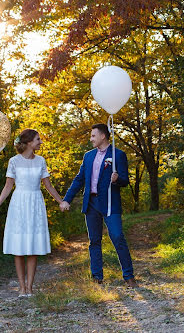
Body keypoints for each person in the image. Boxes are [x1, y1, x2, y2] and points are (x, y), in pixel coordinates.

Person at [0, 129, 66, 297]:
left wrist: (61, 201)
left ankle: (30, 288)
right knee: (19, 248)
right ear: (29, 142)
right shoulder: (14, 161)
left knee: (33, 248)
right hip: (19, 204)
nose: (40, 142)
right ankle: (21, 288)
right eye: (38, 139)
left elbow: (48, 186)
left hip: (35, 203)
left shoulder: (41, 161)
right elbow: (8, 186)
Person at [60, 123, 137, 287]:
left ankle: (129, 276)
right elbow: (79, 179)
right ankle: (97, 277)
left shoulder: (118, 154)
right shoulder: (88, 156)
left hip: (110, 202)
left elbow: (125, 181)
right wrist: (66, 199)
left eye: (93, 135)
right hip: (92, 203)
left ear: (103, 136)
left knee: (117, 237)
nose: (91, 139)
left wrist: (118, 180)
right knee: (94, 241)